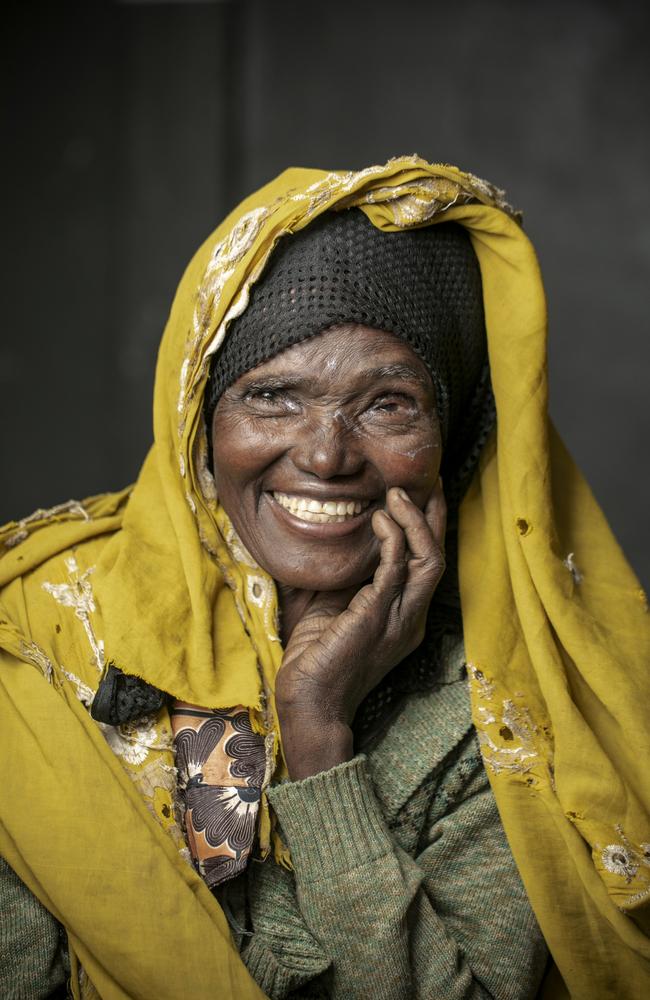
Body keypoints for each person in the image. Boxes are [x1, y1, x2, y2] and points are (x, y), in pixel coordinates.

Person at [0, 157, 648, 1000]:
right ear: (198, 421)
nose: (326, 455)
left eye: (387, 404)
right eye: (272, 396)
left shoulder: (518, 706)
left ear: (454, 438)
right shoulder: (40, 641)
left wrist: (317, 740)